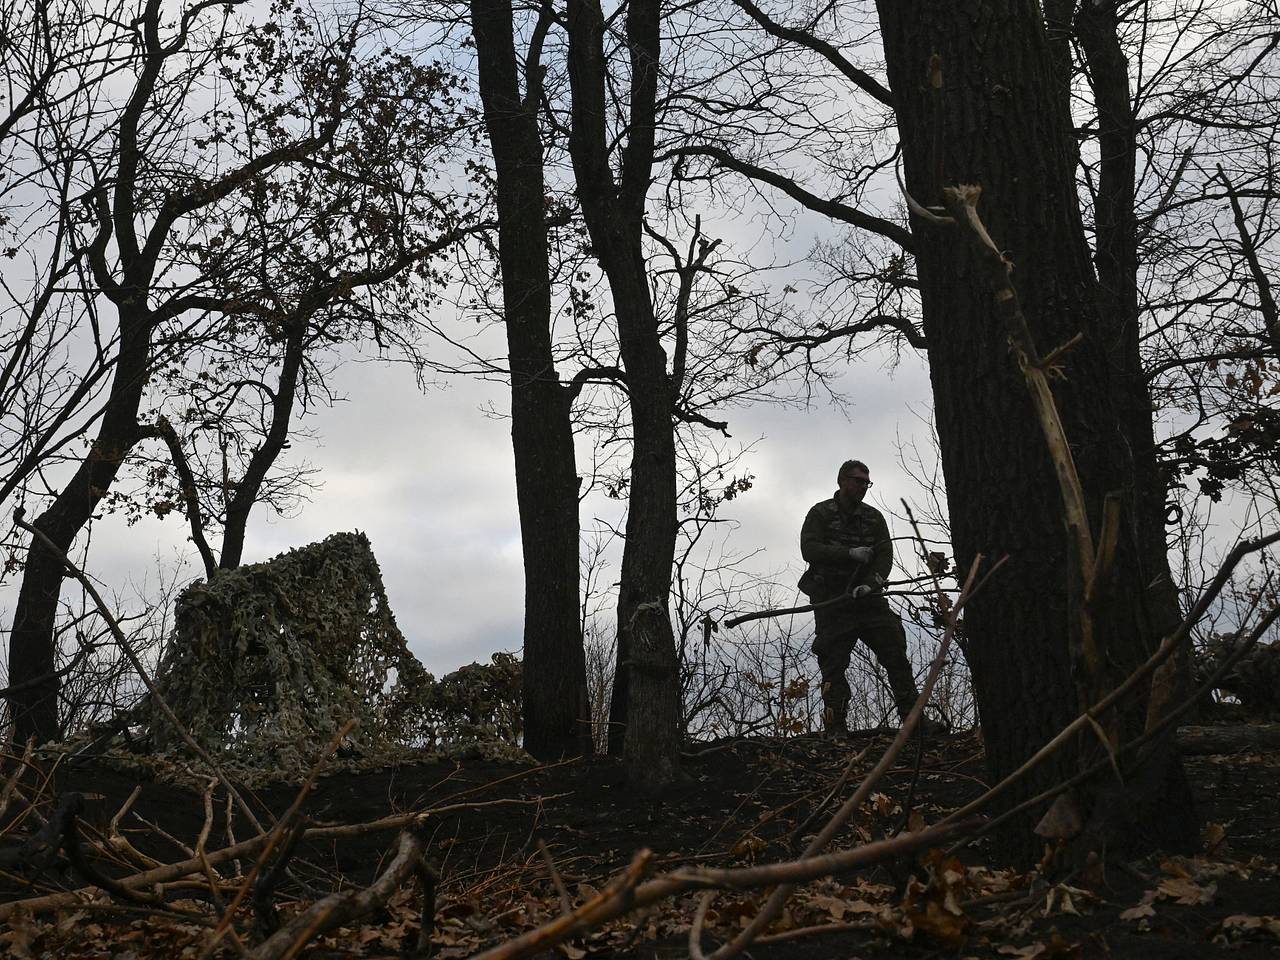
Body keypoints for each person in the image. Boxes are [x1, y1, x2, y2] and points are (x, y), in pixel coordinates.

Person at [799, 459, 925, 735]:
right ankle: (836, 727)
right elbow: (809, 549)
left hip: (868, 601)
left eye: (867, 483)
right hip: (832, 602)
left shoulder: (873, 517)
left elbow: (884, 556)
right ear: (842, 481)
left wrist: (870, 584)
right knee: (833, 665)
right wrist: (848, 554)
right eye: (858, 481)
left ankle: (915, 722)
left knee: (895, 654)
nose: (863, 487)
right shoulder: (820, 513)